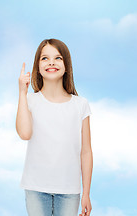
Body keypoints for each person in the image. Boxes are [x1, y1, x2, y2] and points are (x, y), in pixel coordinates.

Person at [15, 38, 93, 216]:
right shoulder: (30, 100)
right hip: (35, 187)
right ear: (37, 66)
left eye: (58, 58)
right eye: (45, 58)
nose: (51, 62)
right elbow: (25, 133)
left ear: (67, 65)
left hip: (69, 190)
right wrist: (21, 92)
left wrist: (86, 193)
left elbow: (86, 151)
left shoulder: (80, 105)